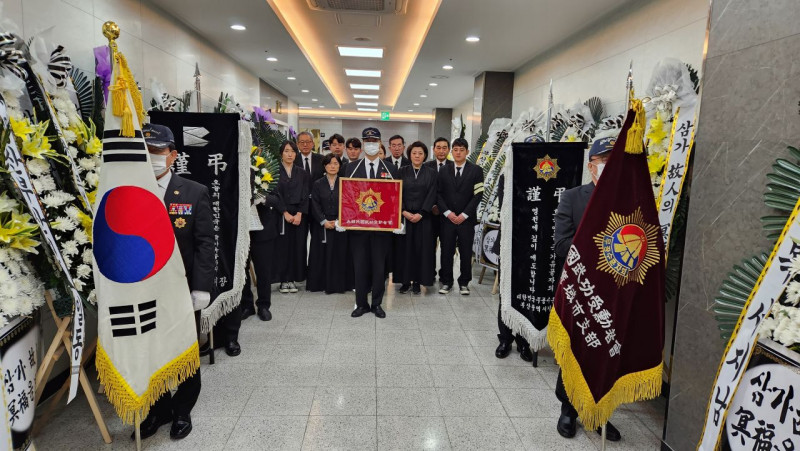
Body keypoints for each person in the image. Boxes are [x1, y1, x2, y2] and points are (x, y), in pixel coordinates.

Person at [138, 123, 213, 440]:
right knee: (151, 349)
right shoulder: (129, 192)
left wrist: (202, 286)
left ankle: (182, 409)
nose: (151, 157)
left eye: (157, 151)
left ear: (173, 155)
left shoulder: (193, 192)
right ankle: (159, 408)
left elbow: (205, 243)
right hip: (143, 287)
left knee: (184, 349)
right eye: (145, 151)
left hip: (182, 286)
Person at [552, 136, 620, 442]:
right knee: (578, 348)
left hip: (615, 293)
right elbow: (561, 244)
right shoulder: (573, 198)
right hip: (580, 291)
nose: (607, 166)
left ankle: (599, 412)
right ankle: (569, 408)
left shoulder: (628, 199)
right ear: (591, 165)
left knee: (608, 352)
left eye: (612, 160)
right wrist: (601, 248)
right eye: (602, 160)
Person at [344, 127, 399, 318]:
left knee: (379, 268)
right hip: (358, 228)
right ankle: (361, 304)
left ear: (380, 143)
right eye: (367, 141)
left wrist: (397, 220)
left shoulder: (390, 169)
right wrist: (344, 218)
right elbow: (347, 196)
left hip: (382, 229)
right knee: (360, 267)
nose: (371, 144)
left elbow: (395, 197)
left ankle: (376, 304)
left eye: (374, 141)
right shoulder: (352, 168)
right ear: (363, 144)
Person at [492, 174, 533, 362]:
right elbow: (506, 206)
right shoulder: (507, 174)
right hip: (509, 243)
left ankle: (524, 341)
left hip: (534, 243)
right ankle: (505, 339)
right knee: (506, 292)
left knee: (527, 293)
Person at [437, 137, 483, 295]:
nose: (458, 153)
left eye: (461, 150)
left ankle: (464, 282)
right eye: (455, 150)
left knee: (465, 252)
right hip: (447, 219)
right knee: (446, 251)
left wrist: (464, 214)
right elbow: (438, 194)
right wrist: (448, 213)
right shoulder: (444, 170)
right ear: (452, 151)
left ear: (467, 152)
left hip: (466, 220)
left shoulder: (476, 170)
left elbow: (478, 194)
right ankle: (446, 282)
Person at [396, 141, 437, 294]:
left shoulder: (431, 173)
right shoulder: (401, 171)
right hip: (405, 217)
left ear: (425, 155)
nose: (417, 156)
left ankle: (418, 281)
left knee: (422, 250)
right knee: (404, 250)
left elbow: (433, 193)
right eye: (414, 153)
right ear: (409, 155)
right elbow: (396, 192)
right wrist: (403, 211)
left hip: (424, 218)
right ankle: (405, 281)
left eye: (420, 153)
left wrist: (422, 213)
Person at [307, 154, 353, 293]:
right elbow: (314, 204)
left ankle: (340, 285)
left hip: (341, 224)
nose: (332, 166)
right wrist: (323, 221)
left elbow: (349, 203)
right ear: (324, 166)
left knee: (340, 254)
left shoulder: (345, 182)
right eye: (329, 163)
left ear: (340, 166)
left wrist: (340, 220)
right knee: (321, 254)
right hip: (322, 224)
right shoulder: (318, 183)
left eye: (335, 163)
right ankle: (320, 284)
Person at [276, 140, 310, 293]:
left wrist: (299, 213)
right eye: (286, 151)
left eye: (292, 151)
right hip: (281, 214)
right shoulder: (275, 171)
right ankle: (284, 280)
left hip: (298, 215)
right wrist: (284, 212)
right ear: (281, 153)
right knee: (283, 247)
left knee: (298, 247)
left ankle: (294, 279)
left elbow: (305, 193)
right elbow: (274, 193)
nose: (290, 154)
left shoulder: (302, 172)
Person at [424, 137, 454, 282]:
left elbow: (454, 192)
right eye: (438, 147)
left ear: (448, 150)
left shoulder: (454, 166)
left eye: (444, 148)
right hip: (429, 214)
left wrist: (443, 208)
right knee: (429, 246)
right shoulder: (426, 166)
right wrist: (432, 206)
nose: (441, 151)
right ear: (434, 149)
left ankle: (445, 275)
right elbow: (425, 190)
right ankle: (429, 274)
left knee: (447, 248)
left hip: (447, 215)